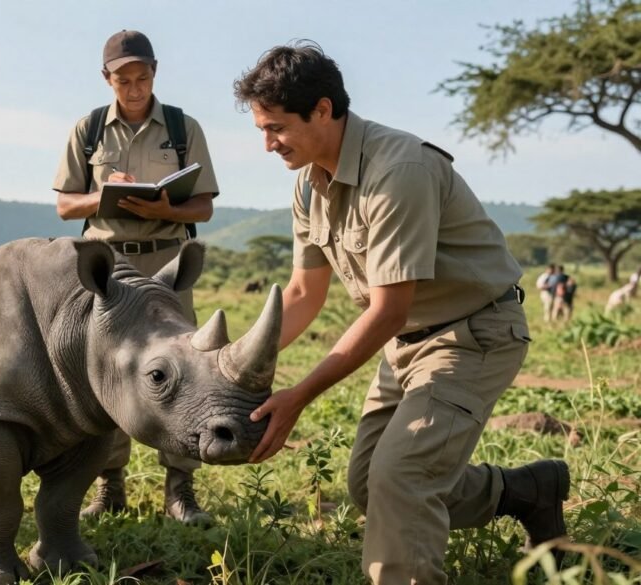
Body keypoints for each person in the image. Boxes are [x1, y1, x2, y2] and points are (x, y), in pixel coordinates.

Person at [233, 42, 570, 584]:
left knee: (402, 480)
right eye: (262, 131)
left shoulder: (399, 169)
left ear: (322, 110)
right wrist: (229, 363)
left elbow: (389, 309)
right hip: (406, 344)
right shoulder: (308, 186)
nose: (268, 144)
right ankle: (527, 492)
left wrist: (298, 396)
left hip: (473, 334)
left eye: (276, 128)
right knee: (370, 484)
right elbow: (303, 294)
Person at [52, 30, 220, 525]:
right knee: (108, 371)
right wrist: (104, 191)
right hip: (110, 267)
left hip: (168, 262)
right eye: (123, 80)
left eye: (142, 78)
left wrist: (167, 206)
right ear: (107, 79)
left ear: (155, 72)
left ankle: (180, 490)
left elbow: (204, 207)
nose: (133, 88)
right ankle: (109, 486)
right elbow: (65, 205)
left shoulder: (182, 127)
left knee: (186, 367)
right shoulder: (88, 131)